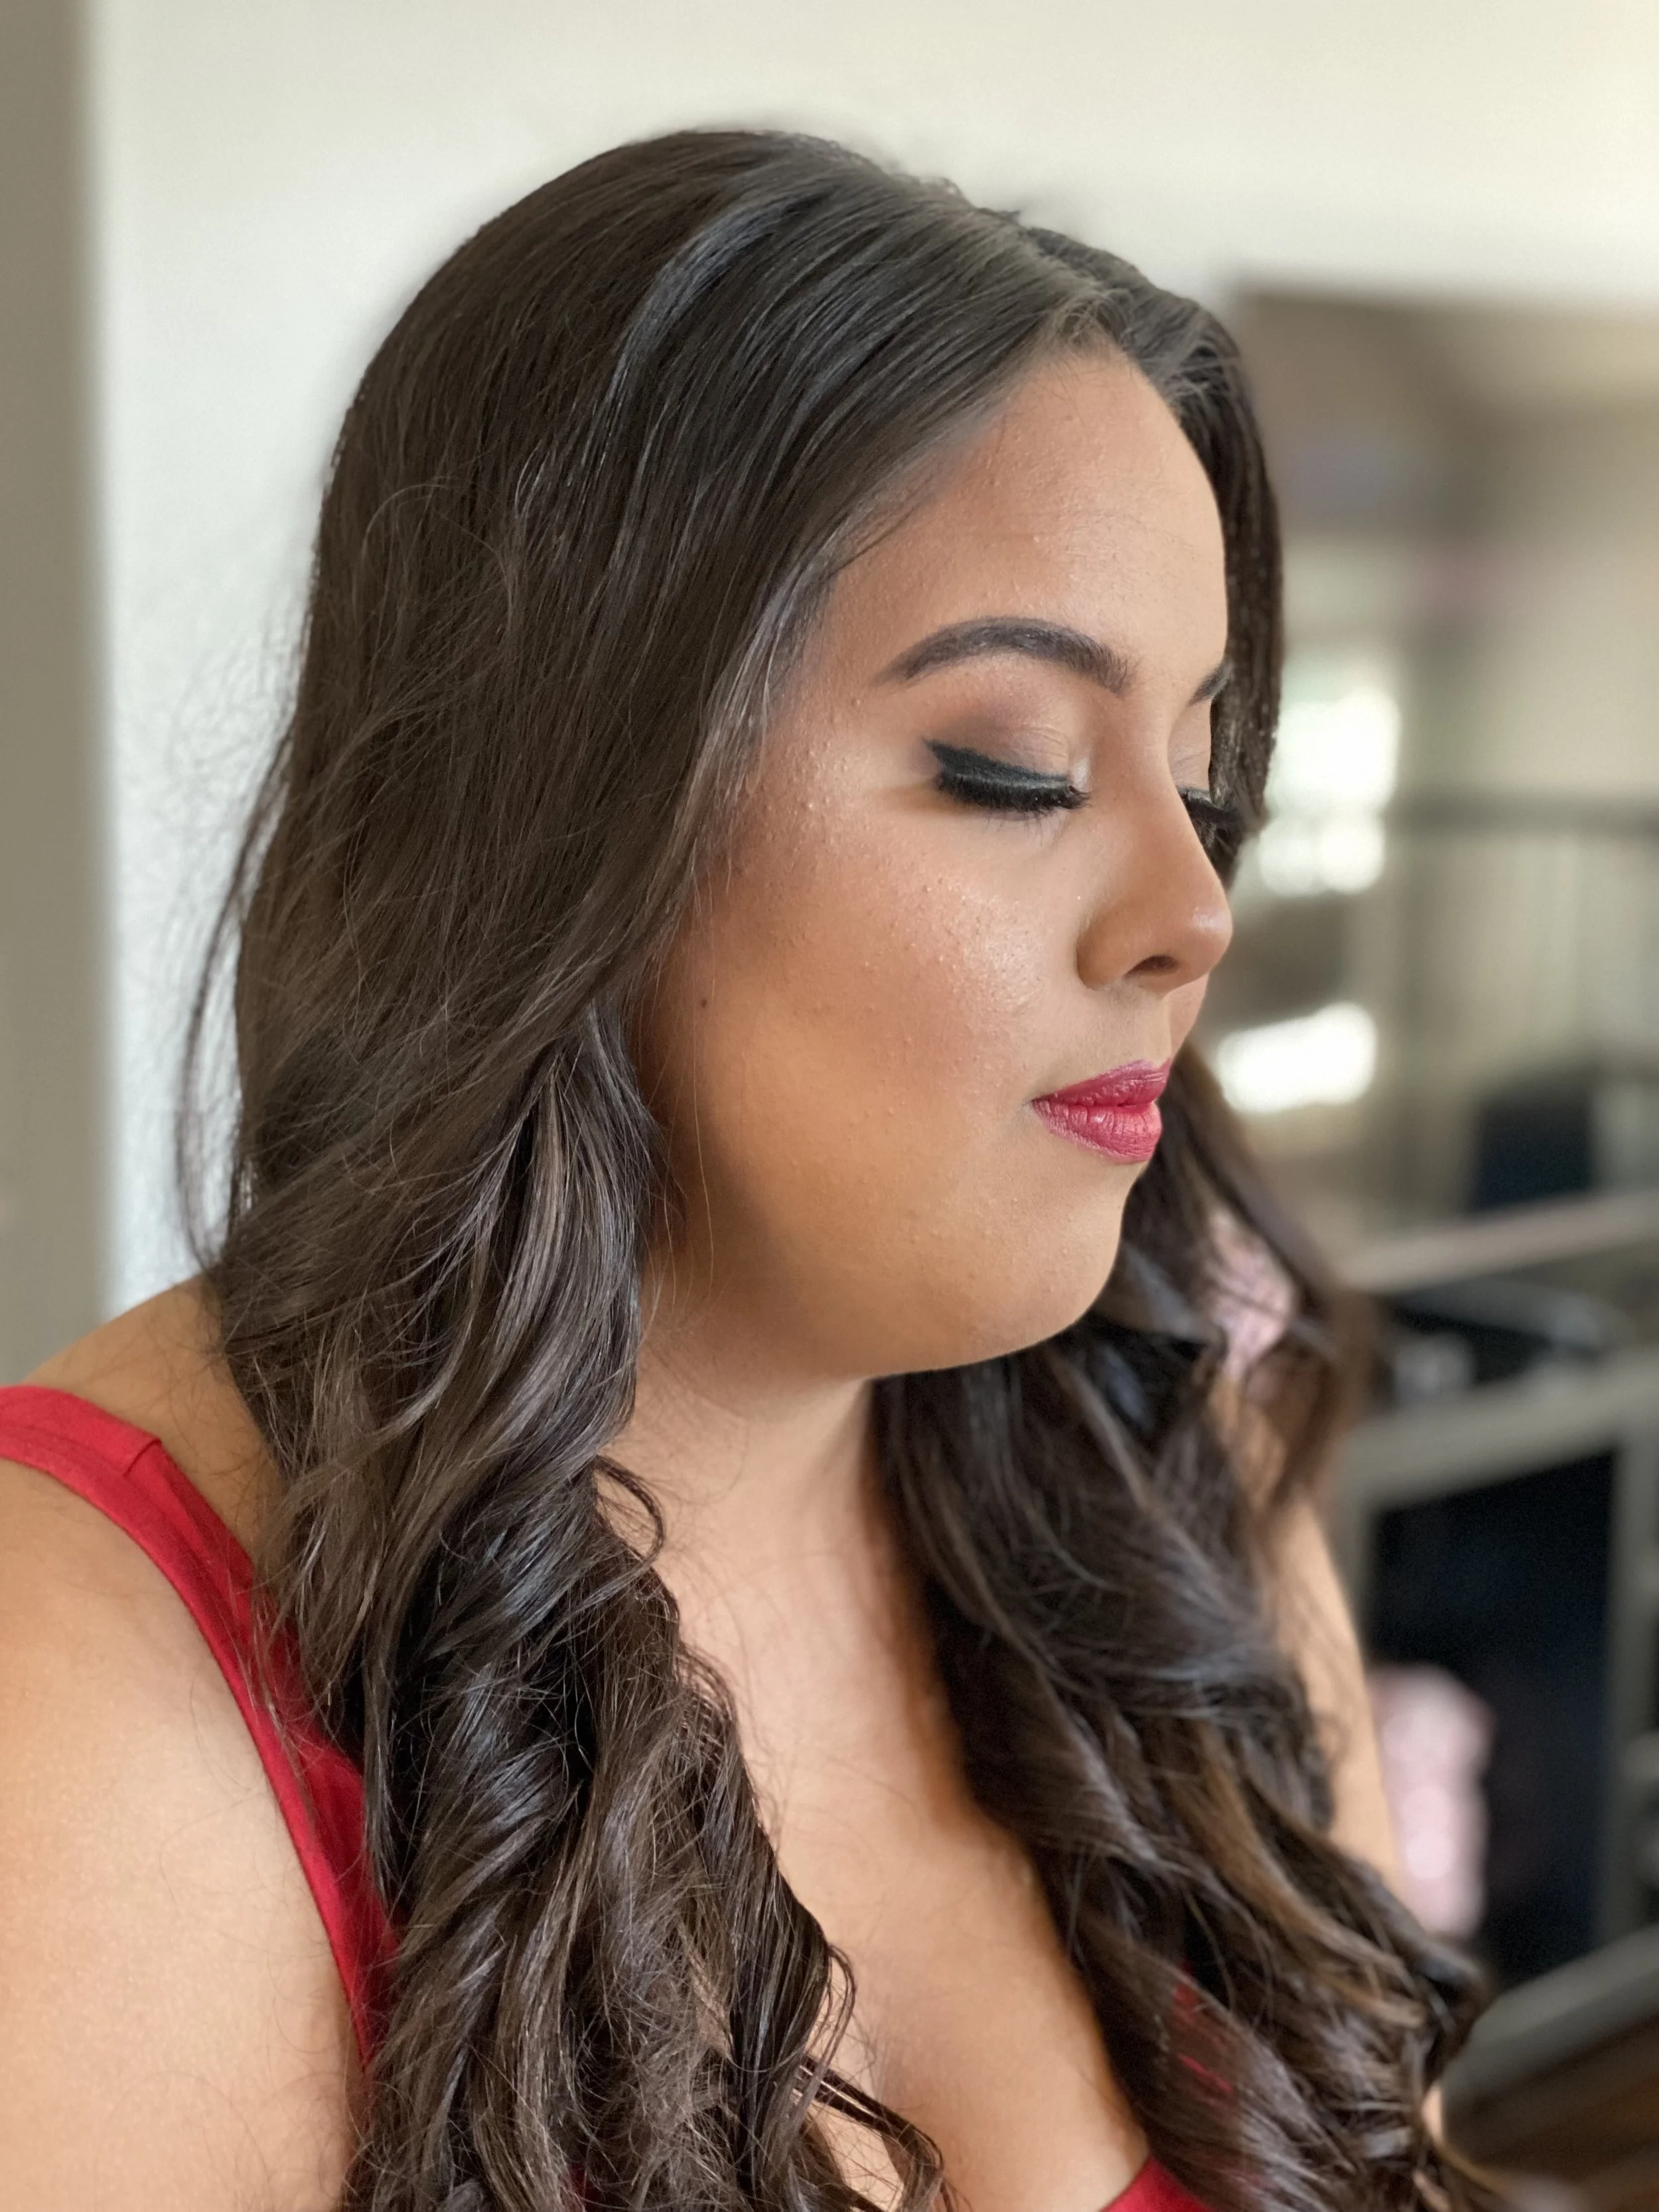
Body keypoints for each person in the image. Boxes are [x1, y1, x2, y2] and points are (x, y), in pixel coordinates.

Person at [0, 131, 1491, 2212]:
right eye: (1012, 769)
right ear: (556, 801)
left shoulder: (1181, 1508)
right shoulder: (85, 1702)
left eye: (1201, 775)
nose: (1193, 910)